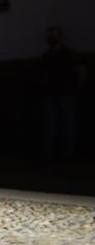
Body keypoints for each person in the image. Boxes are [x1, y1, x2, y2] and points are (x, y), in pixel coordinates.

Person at [39, 25, 86, 159]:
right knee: (50, 125)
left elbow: (81, 73)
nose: (51, 38)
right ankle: (51, 153)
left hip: (66, 94)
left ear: (60, 37)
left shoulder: (69, 54)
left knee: (67, 124)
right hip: (51, 94)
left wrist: (76, 89)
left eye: (53, 35)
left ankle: (67, 153)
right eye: (49, 35)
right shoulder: (46, 56)